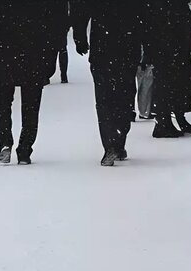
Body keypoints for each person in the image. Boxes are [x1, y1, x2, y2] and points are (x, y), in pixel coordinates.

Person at [0, 0, 69, 165]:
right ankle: (25, 148)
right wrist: (55, 51)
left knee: (3, 101)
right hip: (37, 49)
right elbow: (58, 20)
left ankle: (5, 142)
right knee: (31, 104)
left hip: (6, 49)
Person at [72, 0, 152, 166]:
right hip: (127, 46)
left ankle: (111, 142)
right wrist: (148, 44)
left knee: (105, 100)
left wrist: (79, 36)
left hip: (104, 46)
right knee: (124, 96)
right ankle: (118, 139)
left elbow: (80, 9)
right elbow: (145, 13)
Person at [149, 0, 191, 138]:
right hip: (168, 41)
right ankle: (163, 121)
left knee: (178, 81)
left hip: (173, 40)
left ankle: (175, 117)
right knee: (166, 82)